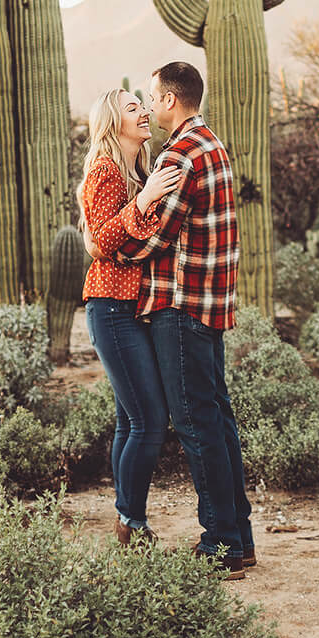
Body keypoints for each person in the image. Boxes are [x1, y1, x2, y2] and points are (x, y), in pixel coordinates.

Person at [108, 61, 254, 572]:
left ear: (170, 100)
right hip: (209, 305)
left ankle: (223, 544)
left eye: (151, 97)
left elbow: (155, 237)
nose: (148, 106)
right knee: (217, 419)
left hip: (180, 307)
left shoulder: (182, 155)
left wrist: (112, 252)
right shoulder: (211, 142)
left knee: (195, 424)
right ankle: (240, 535)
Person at [76, 86, 183, 546]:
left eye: (144, 105)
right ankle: (131, 522)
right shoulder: (105, 171)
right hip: (112, 309)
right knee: (149, 421)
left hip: (127, 310)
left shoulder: (134, 172)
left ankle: (127, 519)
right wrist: (144, 201)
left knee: (131, 420)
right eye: (133, 107)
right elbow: (100, 240)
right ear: (112, 121)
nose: (144, 112)